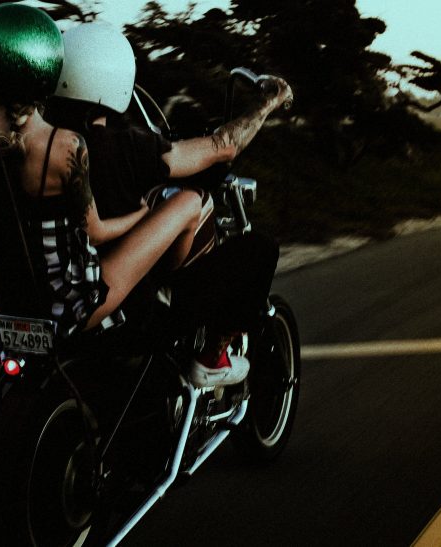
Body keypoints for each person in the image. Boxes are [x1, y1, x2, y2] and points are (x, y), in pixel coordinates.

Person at [0, 6, 205, 369]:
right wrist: (143, 213)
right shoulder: (67, 146)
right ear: (49, 69)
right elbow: (95, 233)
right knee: (187, 204)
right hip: (67, 303)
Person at [46, 22, 293, 387]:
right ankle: (212, 357)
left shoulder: (35, 148)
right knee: (258, 246)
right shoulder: (126, 146)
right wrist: (267, 102)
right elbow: (222, 147)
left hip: (45, 289)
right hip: (115, 299)